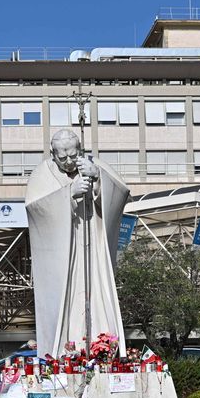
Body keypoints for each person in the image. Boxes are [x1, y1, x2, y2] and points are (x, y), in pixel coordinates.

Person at [26, 129, 130, 358]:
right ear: (52, 154)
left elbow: (122, 194)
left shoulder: (94, 165)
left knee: (97, 294)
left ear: (80, 150)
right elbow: (35, 209)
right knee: (69, 301)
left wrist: (98, 180)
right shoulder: (41, 174)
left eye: (73, 156)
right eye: (62, 158)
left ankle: (101, 346)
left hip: (93, 251)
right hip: (64, 255)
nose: (69, 162)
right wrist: (68, 195)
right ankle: (67, 350)